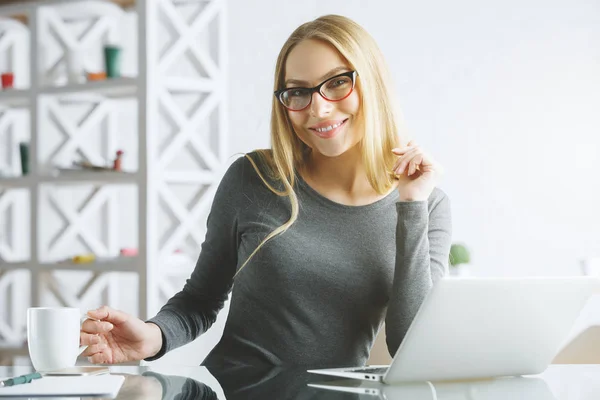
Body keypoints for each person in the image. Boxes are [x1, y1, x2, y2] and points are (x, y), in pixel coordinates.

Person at [79, 14, 452, 367]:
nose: (318, 108)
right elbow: (200, 300)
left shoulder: (425, 205)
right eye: (297, 92)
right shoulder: (254, 178)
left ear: (373, 82)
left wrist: (412, 204)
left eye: (338, 82)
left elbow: (409, 344)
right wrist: (152, 336)